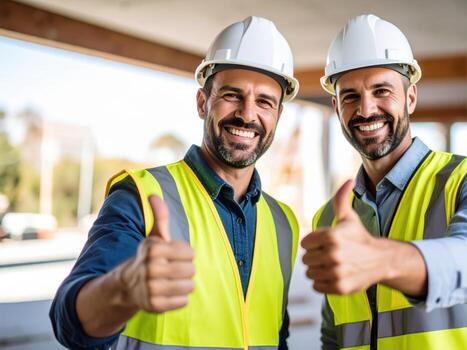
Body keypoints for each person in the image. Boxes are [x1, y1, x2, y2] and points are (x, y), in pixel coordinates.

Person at [50, 16, 300, 349]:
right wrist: (125, 288)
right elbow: (70, 323)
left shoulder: (283, 222)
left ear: (278, 115)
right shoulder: (140, 196)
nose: (247, 114)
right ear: (202, 103)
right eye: (232, 95)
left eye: (265, 102)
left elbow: (274, 336)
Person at [301, 14, 467, 349]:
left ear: (410, 97)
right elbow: (334, 334)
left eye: (381, 90)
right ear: (336, 106)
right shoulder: (328, 218)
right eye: (350, 96)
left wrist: (380, 259)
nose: (366, 109)